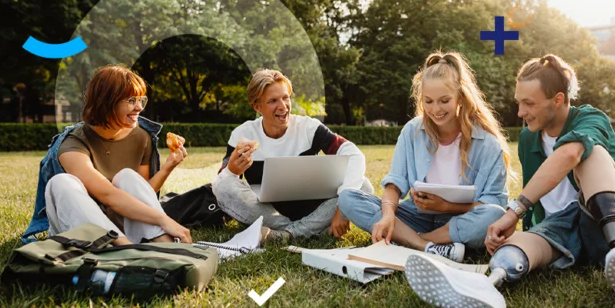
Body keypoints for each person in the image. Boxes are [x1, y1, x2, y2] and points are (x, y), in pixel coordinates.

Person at [404, 54, 615, 308]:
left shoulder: (590, 118)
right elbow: (539, 200)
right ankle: (484, 285)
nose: (520, 112)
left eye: (528, 103)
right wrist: (513, 230)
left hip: (608, 222)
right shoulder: (528, 138)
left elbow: (569, 156)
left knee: (590, 153)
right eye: (519, 103)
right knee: (513, 248)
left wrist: (514, 210)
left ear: (558, 100)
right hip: (560, 230)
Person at [337, 51, 512, 262]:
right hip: (416, 216)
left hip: (461, 220)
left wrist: (446, 207)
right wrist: (388, 215)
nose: (435, 109)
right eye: (428, 101)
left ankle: (414, 241)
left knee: (497, 215)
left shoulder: (487, 143)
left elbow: (495, 203)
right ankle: (426, 247)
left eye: (444, 101)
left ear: (460, 98)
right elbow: (395, 183)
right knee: (347, 198)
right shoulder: (412, 131)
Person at [22, 65, 191, 245]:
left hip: (122, 222)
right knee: (60, 183)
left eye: (141, 100)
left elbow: (143, 193)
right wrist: (165, 220)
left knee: (127, 176)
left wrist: (168, 166)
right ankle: (125, 248)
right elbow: (107, 195)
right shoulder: (72, 144)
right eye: (131, 100)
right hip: (82, 229)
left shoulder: (142, 137)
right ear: (107, 102)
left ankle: (161, 242)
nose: (139, 107)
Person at [212, 69, 373, 243]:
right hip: (270, 214)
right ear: (257, 106)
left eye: (285, 97)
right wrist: (232, 171)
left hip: (314, 208)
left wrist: (343, 207)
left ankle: (287, 235)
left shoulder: (309, 128)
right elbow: (223, 181)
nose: (283, 106)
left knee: (364, 186)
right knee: (223, 186)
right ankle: (312, 230)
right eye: (273, 100)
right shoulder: (242, 135)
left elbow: (353, 154)